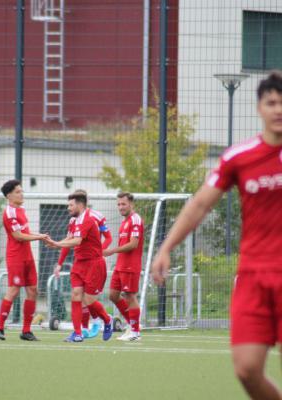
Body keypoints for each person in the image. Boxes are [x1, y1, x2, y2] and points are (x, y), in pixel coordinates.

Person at [151, 72, 282, 399]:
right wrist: (167, 247)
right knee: (246, 369)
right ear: (259, 108)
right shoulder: (238, 157)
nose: (279, 109)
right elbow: (199, 204)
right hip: (253, 274)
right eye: (272, 102)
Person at [45, 191, 113, 342]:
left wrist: (55, 243)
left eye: (71, 205)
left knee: (89, 301)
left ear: (80, 204)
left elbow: (76, 241)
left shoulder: (89, 220)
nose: (68, 208)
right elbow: (69, 240)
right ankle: (78, 333)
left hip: (94, 264)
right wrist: (59, 261)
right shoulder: (73, 221)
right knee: (76, 295)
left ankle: (107, 320)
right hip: (79, 264)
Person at [0, 179, 48, 341]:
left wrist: (39, 236)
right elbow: (18, 236)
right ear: (9, 196)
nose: (21, 194)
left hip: (27, 256)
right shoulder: (9, 213)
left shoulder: (21, 209)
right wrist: (40, 236)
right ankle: (0, 328)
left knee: (33, 291)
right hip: (15, 257)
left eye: (21, 191)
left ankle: (26, 330)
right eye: (18, 192)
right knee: (14, 290)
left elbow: (26, 232)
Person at [103, 192, 144, 342]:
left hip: (130, 266)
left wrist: (112, 250)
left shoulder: (135, 219)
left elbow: (133, 244)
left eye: (123, 204)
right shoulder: (125, 221)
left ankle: (135, 331)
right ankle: (132, 325)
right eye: (118, 204)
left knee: (130, 296)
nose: (120, 207)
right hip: (120, 265)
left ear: (131, 204)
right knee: (113, 295)